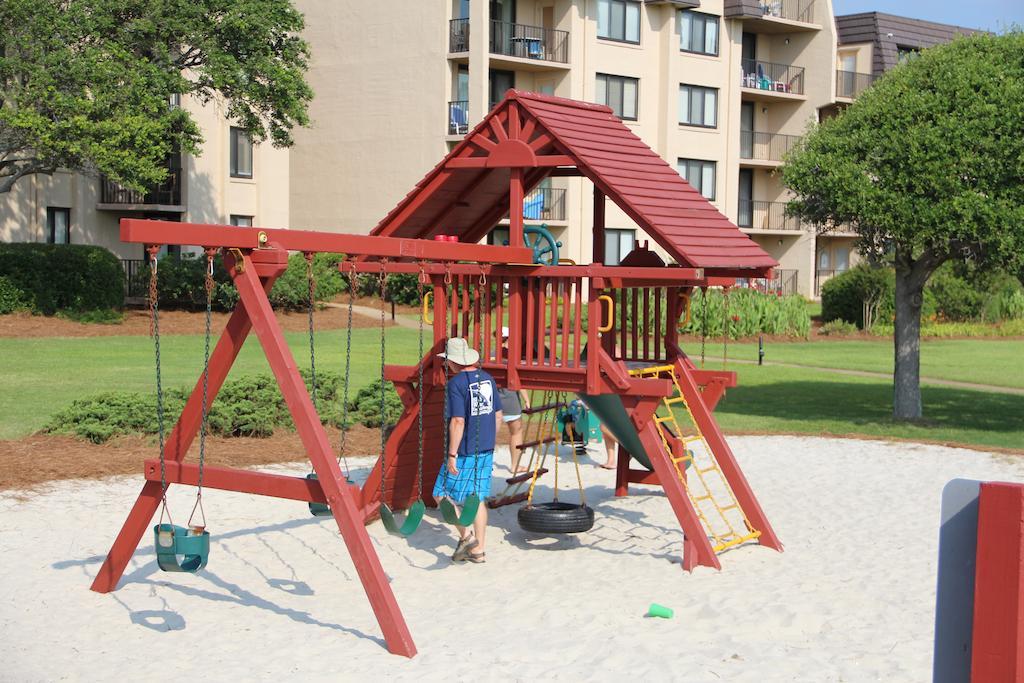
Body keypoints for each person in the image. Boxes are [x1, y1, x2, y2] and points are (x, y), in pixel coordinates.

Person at [433, 337, 503, 564]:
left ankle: (467, 537)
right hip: (486, 448)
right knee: (478, 497)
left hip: (464, 451)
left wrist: (452, 454)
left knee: (440, 492)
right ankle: (479, 551)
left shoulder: (456, 384)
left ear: (452, 362)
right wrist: (489, 438)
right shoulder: (488, 379)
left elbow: (458, 421)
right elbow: (498, 415)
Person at [496, 327, 531, 474]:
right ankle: (514, 465)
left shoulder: (492, 355)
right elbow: (518, 382)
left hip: (494, 400)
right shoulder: (512, 357)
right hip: (510, 398)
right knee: (516, 432)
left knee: (491, 433)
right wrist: (527, 400)